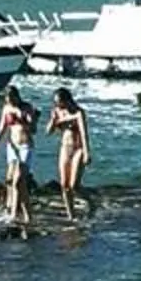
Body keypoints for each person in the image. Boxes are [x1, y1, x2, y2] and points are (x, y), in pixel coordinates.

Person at [0, 88, 36, 234]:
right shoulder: (6, 108)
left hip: (25, 146)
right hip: (12, 147)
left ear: (17, 97)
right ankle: (17, 211)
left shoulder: (26, 108)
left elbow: (33, 129)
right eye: (7, 99)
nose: (10, 102)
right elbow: (2, 128)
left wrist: (26, 118)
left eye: (12, 99)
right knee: (10, 180)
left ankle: (20, 214)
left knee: (18, 180)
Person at [47, 89, 89, 218]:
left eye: (60, 102)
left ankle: (90, 200)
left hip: (78, 148)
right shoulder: (57, 112)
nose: (58, 105)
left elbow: (83, 133)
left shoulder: (78, 112)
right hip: (65, 148)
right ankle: (71, 214)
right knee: (64, 185)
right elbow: (48, 132)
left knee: (73, 185)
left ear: (67, 100)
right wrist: (54, 120)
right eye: (56, 103)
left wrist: (87, 152)